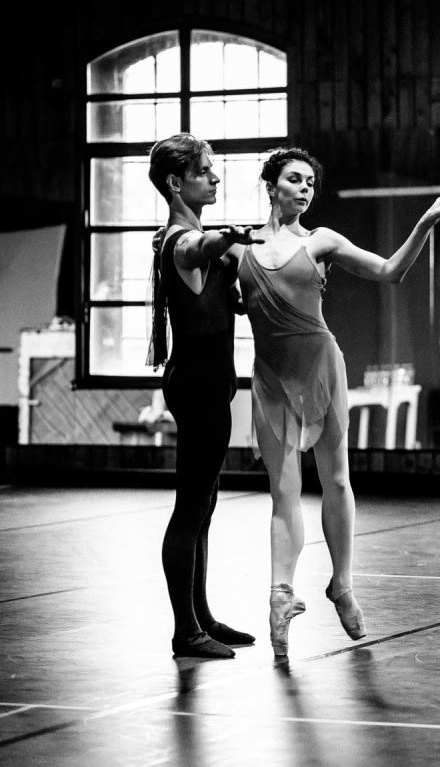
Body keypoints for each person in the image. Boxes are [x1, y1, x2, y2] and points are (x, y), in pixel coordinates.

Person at [227, 147, 440, 657]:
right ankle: (280, 595)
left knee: (335, 480)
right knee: (283, 492)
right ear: (271, 186)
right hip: (270, 379)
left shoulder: (321, 241)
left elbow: (388, 271)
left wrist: (423, 224)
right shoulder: (236, 249)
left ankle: (342, 584)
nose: (306, 188)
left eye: (311, 181)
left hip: (322, 370)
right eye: (295, 179)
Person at [147, 132, 264, 660]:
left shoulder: (181, 236)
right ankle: (184, 632)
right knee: (192, 507)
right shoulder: (182, 240)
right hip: (197, 381)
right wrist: (226, 241)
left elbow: (215, 277)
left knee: (206, 504)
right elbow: (203, 247)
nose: (215, 178)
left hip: (208, 379)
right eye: (205, 172)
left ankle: (201, 617)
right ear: (177, 183)